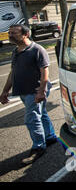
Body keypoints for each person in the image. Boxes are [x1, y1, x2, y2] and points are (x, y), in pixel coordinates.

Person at [0, 24, 57, 165]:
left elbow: (45, 73)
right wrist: (5, 90)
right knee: (41, 113)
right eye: (10, 33)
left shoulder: (37, 49)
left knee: (31, 118)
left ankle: (38, 147)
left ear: (25, 34)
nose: (10, 35)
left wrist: (41, 91)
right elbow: (12, 72)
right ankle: (50, 136)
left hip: (35, 90)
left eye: (14, 33)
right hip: (23, 90)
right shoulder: (16, 51)